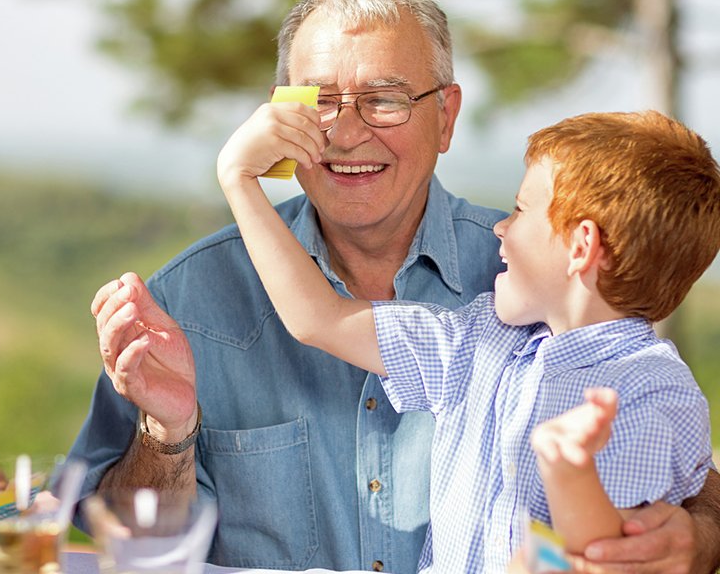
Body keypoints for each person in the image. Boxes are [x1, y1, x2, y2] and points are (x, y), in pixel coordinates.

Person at [76, 0, 720, 573]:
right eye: (319, 103)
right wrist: (167, 435)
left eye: (384, 100)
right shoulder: (185, 299)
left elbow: (680, 483)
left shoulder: (520, 294)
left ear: (446, 117)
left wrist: (700, 535)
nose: (346, 134)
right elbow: (124, 545)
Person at [215, 107, 719, 570]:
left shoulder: (652, 391)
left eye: (520, 210)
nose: (501, 228)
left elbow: (610, 559)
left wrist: (572, 475)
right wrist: (240, 181)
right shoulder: (480, 339)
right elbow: (320, 319)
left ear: (581, 246)